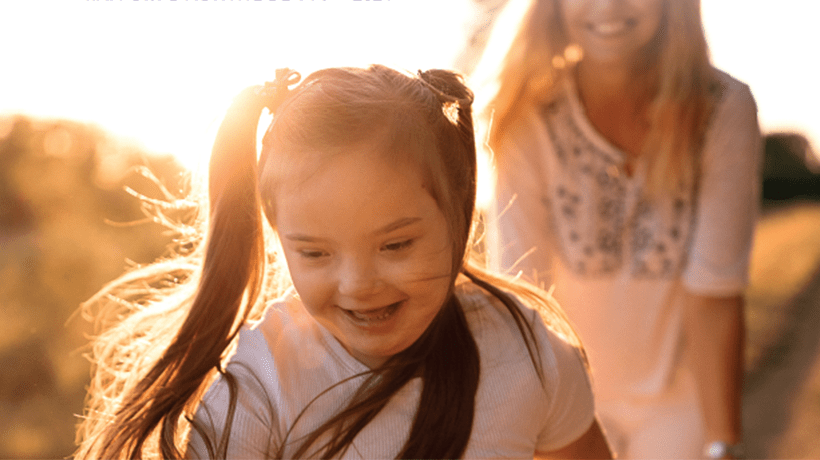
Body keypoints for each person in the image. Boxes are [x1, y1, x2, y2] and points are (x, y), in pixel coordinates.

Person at [73, 65, 612, 459]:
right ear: (281, 239)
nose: (358, 285)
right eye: (315, 253)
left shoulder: (525, 348)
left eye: (395, 246)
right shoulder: (260, 385)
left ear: (461, 214)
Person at [471, 0, 762, 458]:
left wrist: (722, 445)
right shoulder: (523, 112)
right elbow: (523, 292)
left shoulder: (722, 107)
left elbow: (714, 293)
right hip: (564, 398)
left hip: (677, 402)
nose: (607, 6)